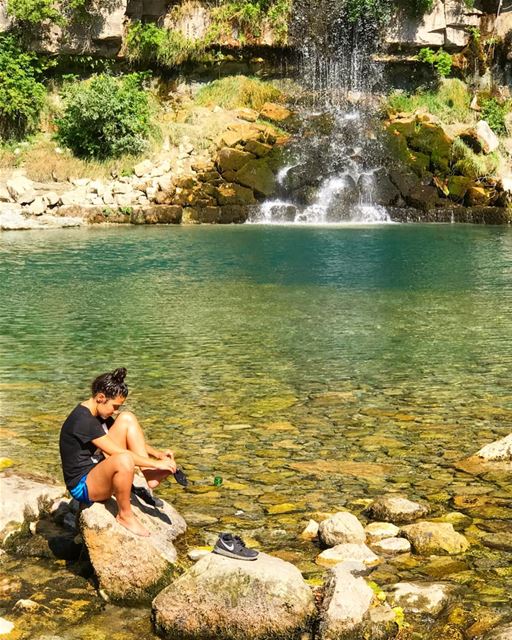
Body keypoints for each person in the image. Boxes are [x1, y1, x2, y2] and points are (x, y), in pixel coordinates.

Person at [59, 367, 176, 537]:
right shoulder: (83, 420)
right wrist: (157, 463)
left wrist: (156, 454)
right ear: (101, 398)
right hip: (83, 485)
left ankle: (150, 475)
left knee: (127, 418)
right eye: (114, 406)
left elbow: (124, 436)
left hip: (98, 468)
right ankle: (125, 515)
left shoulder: (98, 413)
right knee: (124, 460)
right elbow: (117, 452)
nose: (115, 411)